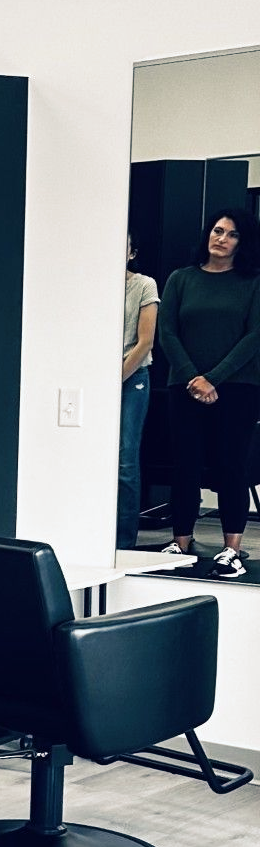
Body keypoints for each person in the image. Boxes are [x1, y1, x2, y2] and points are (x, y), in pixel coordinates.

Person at [155, 209, 260, 578]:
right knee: (185, 463)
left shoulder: (253, 282)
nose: (222, 239)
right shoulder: (181, 279)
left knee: (232, 465)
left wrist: (213, 379)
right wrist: (192, 378)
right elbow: (167, 332)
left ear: (242, 243)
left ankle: (232, 549)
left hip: (239, 387)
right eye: (218, 231)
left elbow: (254, 336)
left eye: (232, 234)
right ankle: (180, 542)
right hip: (184, 387)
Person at [120, 234, 159, 551]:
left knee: (125, 459)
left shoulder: (144, 285)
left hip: (132, 376)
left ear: (132, 253)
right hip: (94, 379)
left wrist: (114, 379)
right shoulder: (90, 284)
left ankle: (123, 542)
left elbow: (145, 341)